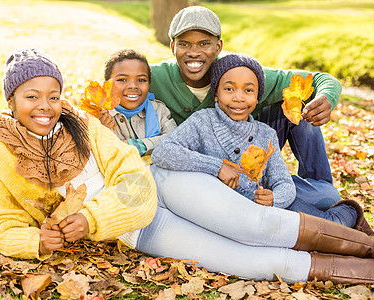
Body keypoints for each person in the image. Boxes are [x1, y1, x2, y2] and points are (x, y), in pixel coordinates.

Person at [148, 5, 374, 235]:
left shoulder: (242, 74)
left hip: (252, 161)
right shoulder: (153, 78)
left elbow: (319, 80)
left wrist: (326, 98)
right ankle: (314, 202)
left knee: (300, 104)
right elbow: (119, 85)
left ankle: (318, 187)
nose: (194, 52)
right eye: (184, 44)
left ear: (218, 46)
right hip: (209, 176)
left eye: (204, 43)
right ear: (172, 46)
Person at [0, 48, 157, 260]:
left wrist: (90, 218)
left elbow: (136, 177)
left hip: (153, 194)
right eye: (32, 96)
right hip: (134, 230)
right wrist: (35, 242)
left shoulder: (82, 124)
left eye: (53, 97)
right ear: (11, 103)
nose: (45, 106)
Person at [151, 53, 357, 227]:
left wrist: (275, 199)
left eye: (248, 91)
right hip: (225, 209)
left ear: (258, 97)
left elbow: (282, 181)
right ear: (216, 94)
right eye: (229, 89)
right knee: (318, 224)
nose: (238, 98)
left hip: (262, 204)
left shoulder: (265, 134)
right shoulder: (202, 121)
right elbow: (163, 152)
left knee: (329, 205)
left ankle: (347, 216)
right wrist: (217, 166)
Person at [94, 49, 177, 156]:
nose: (133, 85)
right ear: (107, 85)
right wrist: (104, 133)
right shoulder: (99, 115)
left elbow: (174, 138)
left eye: (141, 80)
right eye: (122, 79)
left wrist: (138, 145)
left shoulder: (158, 109)